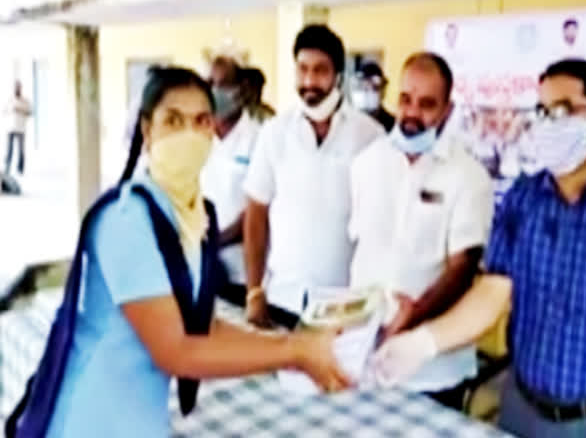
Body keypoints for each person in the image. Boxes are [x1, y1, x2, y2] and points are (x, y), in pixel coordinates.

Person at [15, 67, 349, 438]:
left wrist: (293, 344)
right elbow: (176, 351)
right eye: (173, 121)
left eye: (201, 121)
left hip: (140, 418)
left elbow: (202, 324)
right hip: (92, 417)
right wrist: (293, 353)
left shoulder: (193, 217)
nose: (189, 135)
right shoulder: (127, 221)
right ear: (147, 129)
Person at [376, 59, 586, 438]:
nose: (550, 123)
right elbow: (492, 295)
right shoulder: (523, 199)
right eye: (543, 112)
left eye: (564, 110)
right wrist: (423, 343)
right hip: (518, 404)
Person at [348, 53, 493, 410]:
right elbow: (362, 252)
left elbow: (463, 268)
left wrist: (415, 317)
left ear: (447, 109)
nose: (412, 114)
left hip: (433, 370)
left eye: (427, 104)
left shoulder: (469, 176)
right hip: (365, 354)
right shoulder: (367, 163)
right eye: (406, 100)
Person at [243, 25, 384, 328]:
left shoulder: (370, 136)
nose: (309, 81)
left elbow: (381, 223)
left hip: (346, 305)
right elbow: (256, 213)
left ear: (338, 76)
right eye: (302, 69)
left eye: (320, 71)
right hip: (282, 299)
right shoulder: (275, 133)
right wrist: (254, 291)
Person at [201, 57, 269, 307]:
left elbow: (258, 208)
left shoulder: (259, 138)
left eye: (222, 85)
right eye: (209, 83)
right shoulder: (200, 137)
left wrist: (217, 239)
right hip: (204, 267)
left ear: (239, 90)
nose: (214, 92)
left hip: (243, 272)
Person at [349, 61, 395, 131]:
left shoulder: (393, 125)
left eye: (375, 88)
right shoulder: (349, 123)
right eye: (364, 88)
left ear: (383, 90)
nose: (369, 93)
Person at [4, 81, 32, 176]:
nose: (17, 89)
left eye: (18, 87)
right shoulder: (9, 100)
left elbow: (30, 112)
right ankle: (7, 168)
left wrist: (20, 110)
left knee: (21, 150)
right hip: (10, 128)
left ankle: (20, 169)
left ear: (21, 88)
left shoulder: (25, 101)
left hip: (21, 128)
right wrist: (11, 110)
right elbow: (4, 111)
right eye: (15, 87)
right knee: (9, 149)